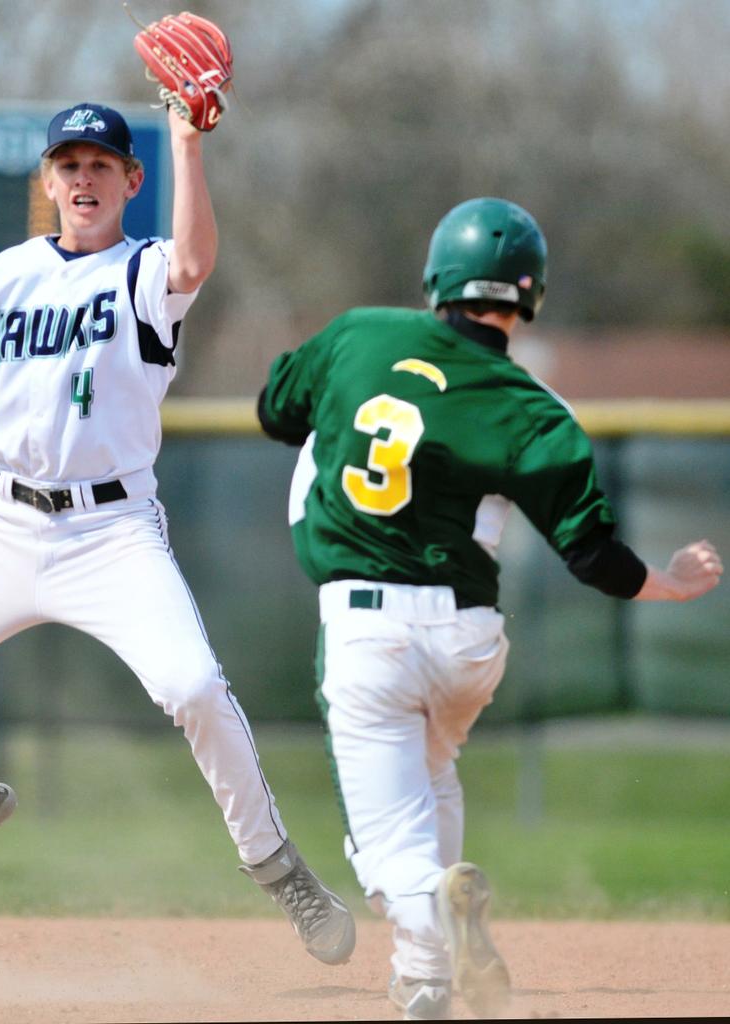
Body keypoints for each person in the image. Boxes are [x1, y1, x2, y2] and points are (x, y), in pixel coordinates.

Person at [0, 101, 355, 967]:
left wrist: (186, 138)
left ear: (132, 181)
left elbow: (198, 256)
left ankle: (277, 868)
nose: (83, 178)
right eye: (68, 164)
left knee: (196, 688)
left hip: (114, 532)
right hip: (6, 527)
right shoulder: (3, 276)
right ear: (48, 182)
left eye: (100, 164)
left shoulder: (144, 273)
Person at [257, 196, 723, 1020]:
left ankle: (435, 920)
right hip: (468, 640)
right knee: (431, 770)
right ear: (526, 295)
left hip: (366, 627)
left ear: (437, 277)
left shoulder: (360, 334)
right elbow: (594, 560)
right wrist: (669, 579)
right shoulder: (537, 409)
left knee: (383, 845)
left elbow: (273, 412)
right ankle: (426, 977)